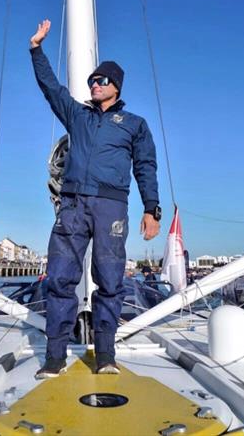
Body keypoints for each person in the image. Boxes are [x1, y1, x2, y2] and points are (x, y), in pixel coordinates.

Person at [29, 19, 161, 378]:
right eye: (92, 81)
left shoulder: (134, 124)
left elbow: (145, 166)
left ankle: (105, 355)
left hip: (111, 207)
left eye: (102, 81)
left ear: (115, 86)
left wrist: (152, 208)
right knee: (59, 278)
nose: (95, 85)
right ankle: (55, 356)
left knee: (111, 279)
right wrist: (36, 49)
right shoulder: (78, 116)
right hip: (72, 204)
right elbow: (51, 88)